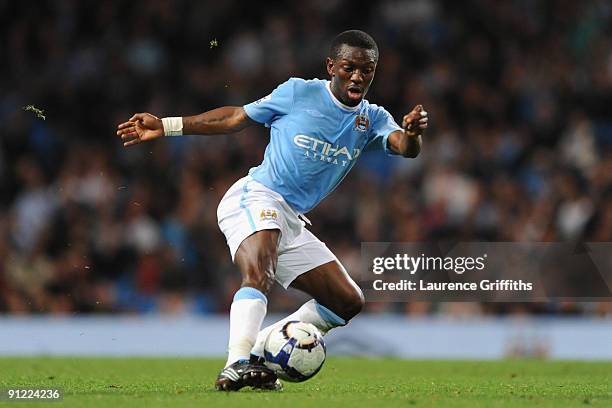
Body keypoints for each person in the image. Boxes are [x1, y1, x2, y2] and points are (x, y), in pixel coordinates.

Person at [116, 29, 428, 391]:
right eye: (349, 67)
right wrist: (169, 125)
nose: (357, 76)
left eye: (367, 70)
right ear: (331, 67)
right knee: (259, 272)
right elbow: (235, 118)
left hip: (291, 217)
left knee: (347, 301)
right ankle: (236, 364)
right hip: (256, 196)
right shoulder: (298, 92)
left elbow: (405, 147)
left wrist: (413, 132)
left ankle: (264, 352)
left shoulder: (371, 117)